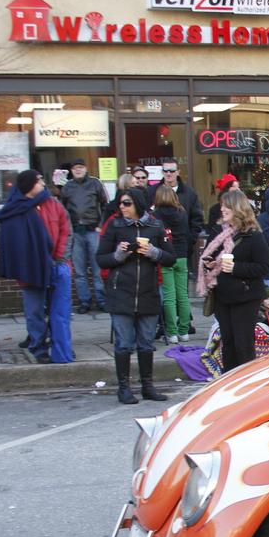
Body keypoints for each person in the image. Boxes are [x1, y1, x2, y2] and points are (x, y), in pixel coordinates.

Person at [96, 188, 175, 404]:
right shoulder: (115, 225)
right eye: (121, 203)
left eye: (127, 203)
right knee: (123, 343)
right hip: (121, 293)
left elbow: (171, 258)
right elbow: (101, 259)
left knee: (146, 343)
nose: (122, 207)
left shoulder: (155, 226)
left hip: (148, 292)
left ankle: (147, 386)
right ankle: (124, 388)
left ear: (138, 205)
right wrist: (118, 255)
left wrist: (153, 252)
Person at [0, 170, 73, 364]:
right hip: (30, 268)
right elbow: (11, 241)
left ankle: (59, 346)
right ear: (29, 185)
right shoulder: (15, 209)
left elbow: (66, 229)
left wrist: (60, 256)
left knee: (58, 310)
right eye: (39, 181)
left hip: (55, 263)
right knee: (35, 311)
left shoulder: (53, 204)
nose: (42, 184)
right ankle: (38, 346)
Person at [197, 189, 269, 371]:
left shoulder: (253, 235)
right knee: (227, 343)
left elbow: (264, 266)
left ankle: (245, 383)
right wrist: (210, 264)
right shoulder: (218, 232)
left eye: (226, 205)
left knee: (243, 343)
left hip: (246, 297)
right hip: (223, 296)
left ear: (237, 208)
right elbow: (211, 256)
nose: (222, 209)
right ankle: (228, 381)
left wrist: (236, 268)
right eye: (222, 205)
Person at [60, 158, 109, 313]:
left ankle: (101, 300)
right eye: (75, 168)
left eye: (81, 167)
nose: (78, 170)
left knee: (97, 269)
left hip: (92, 230)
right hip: (75, 231)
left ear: (86, 168)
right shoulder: (67, 187)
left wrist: (101, 226)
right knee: (79, 271)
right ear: (71, 171)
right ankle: (84, 302)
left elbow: (105, 205)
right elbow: (62, 210)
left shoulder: (95, 184)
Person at [154, 185, 192, 344]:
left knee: (169, 296)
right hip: (182, 255)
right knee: (183, 295)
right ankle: (184, 331)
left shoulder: (156, 214)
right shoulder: (181, 212)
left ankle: (172, 332)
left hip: (166, 255)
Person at [148, 159, 204, 263]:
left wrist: (190, 239)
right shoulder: (152, 191)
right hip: (158, 247)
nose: (168, 173)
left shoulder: (189, 193)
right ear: (162, 172)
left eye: (172, 171)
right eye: (165, 171)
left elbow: (197, 218)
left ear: (178, 172)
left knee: (181, 277)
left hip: (182, 247)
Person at [207, 174, 238, 239]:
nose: (238, 189)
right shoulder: (214, 210)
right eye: (234, 186)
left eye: (238, 186)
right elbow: (212, 232)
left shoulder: (244, 207)